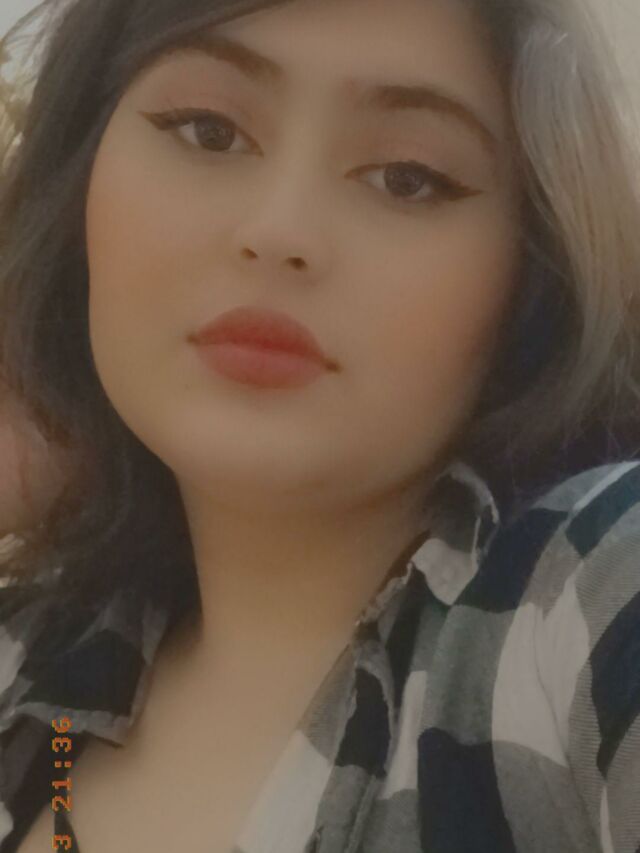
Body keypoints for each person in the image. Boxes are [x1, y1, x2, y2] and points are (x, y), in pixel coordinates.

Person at [0, 0, 638, 850]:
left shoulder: (592, 593)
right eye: (207, 131)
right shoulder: (29, 660)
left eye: (407, 177)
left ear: (530, 270)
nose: (280, 231)